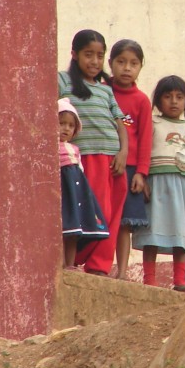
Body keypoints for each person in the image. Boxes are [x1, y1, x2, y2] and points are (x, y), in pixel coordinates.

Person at [58, 29, 128, 275]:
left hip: (112, 157)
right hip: (85, 156)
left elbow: (120, 122)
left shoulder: (106, 88)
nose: (95, 62)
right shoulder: (63, 81)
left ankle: (99, 266)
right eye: (89, 55)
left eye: (100, 56)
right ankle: (74, 260)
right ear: (74, 54)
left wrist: (123, 153)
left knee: (112, 214)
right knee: (94, 212)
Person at [133, 75, 185, 294]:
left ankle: (179, 280)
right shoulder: (153, 122)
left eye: (179, 97)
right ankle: (150, 280)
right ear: (158, 101)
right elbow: (142, 149)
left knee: (181, 232)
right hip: (156, 183)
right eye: (168, 96)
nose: (174, 101)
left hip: (182, 186)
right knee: (152, 230)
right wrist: (142, 176)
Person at [107, 39, 152, 280]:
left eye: (133, 63)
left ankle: (123, 272)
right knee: (104, 217)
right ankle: (101, 266)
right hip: (105, 164)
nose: (127, 68)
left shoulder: (142, 100)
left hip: (131, 168)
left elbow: (145, 139)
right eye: (121, 62)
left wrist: (141, 173)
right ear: (110, 63)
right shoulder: (103, 92)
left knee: (124, 223)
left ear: (140, 67)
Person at [58, 97, 109, 270]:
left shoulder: (75, 149)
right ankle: (59, 263)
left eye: (70, 125)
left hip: (75, 194)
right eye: (61, 123)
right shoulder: (50, 148)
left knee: (73, 232)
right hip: (62, 194)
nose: (66, 128)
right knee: (61, 230)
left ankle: (70, 264)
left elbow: (80, 171)